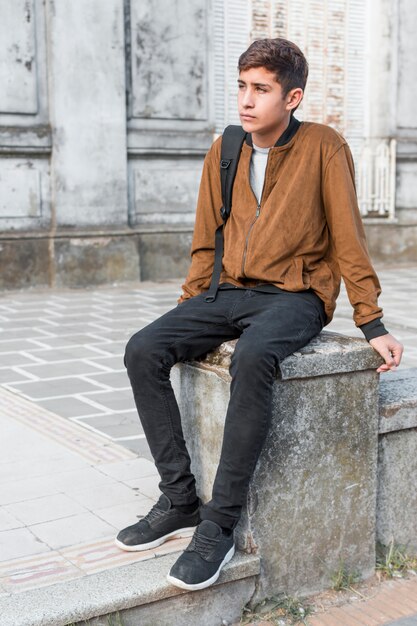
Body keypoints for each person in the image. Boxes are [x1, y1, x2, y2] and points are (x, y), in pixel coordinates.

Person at [114, 38, 403, 591]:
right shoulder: (225, 148)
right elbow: (207, 238)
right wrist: (191, 307)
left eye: (261, 89)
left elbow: (348, 236)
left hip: (296, 297)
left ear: (291, 97)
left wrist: (371, 320)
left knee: (254, 356)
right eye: (242, 86)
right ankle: (178, 500)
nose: (246, 101)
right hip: (227, 289)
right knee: (143, 348)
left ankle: (219, 526)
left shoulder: (324, 147)